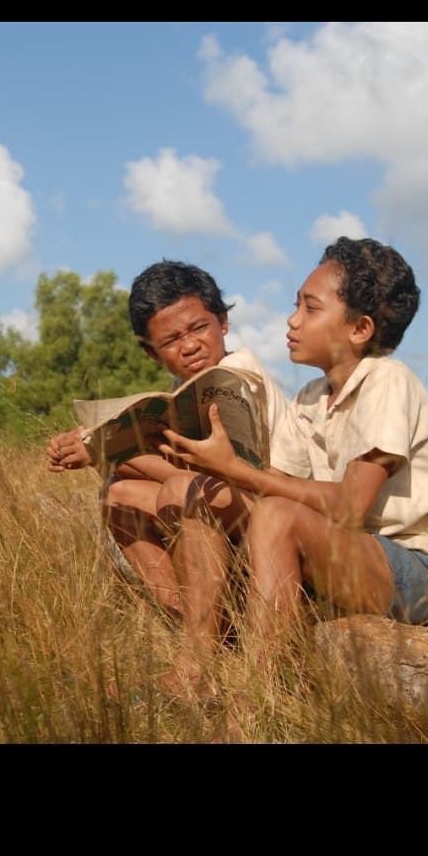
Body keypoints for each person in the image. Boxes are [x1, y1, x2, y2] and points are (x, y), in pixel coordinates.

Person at [161, 237, 428, 658]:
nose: (293, 321)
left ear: (359, 329)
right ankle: (197, 660)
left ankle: (254, 701)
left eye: (311, 309)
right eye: (296, 305)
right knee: (201, 493)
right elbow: (282, 480)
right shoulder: (312, 396)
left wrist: (240, 473)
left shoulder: (387, 380)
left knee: (276, 515)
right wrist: (215, 464)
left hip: (419, 569)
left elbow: (349, 507)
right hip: (351, 548)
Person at [46, 260, 289, 690]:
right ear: (150, 352)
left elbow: (219, 473)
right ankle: (201, 627)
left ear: (224, 322)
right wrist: (106, 446)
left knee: (179, 486)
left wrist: (104, 446)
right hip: (229, 505)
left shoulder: (238, 376)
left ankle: (195, 664)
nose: (190, 346)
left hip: (275, 512)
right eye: (172, 340)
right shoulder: (182, 394)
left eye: (199, 328)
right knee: (118, 494)